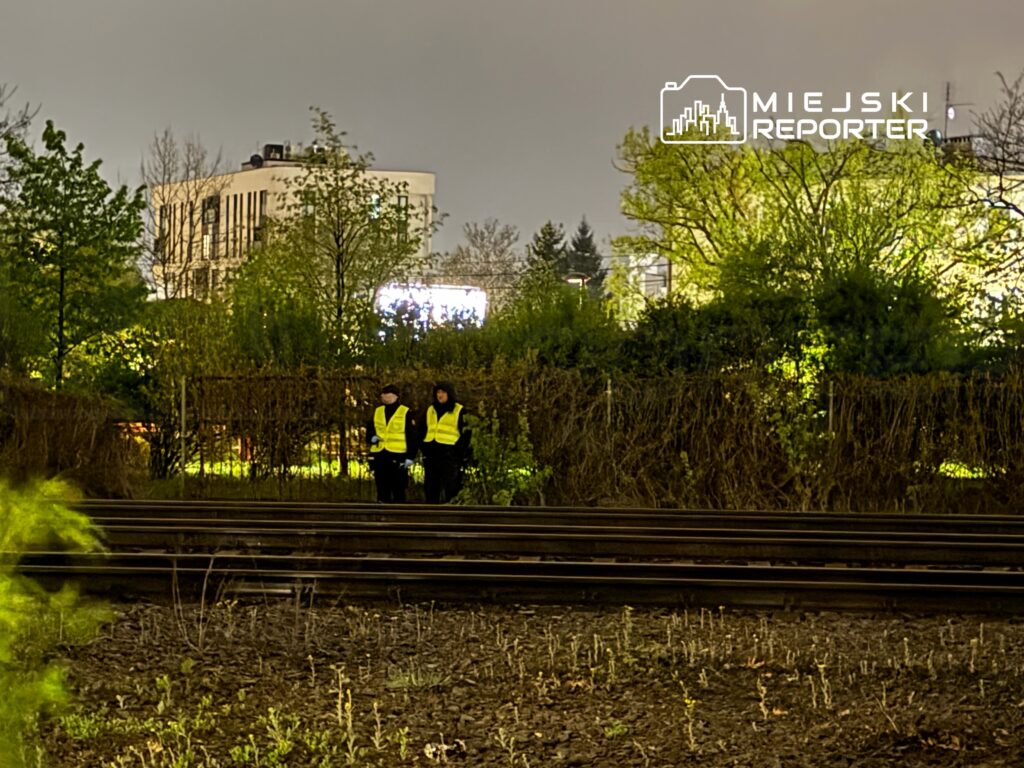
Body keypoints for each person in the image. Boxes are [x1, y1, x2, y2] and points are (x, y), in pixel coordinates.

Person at [420, 381, 471, 504]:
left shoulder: (459, 410)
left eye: (443, 392)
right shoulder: (430, 409)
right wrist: (424, 447)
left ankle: (450, 512)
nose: (440, 395)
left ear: (449, 394)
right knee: (431, 487)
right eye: (438, 392)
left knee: (451, 486)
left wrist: (458, 452)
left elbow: (466, 433)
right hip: (432, 453)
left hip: (449, 454)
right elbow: (422, 430)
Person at [366, 384, 417, 503]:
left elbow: (412, 436)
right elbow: (370, 431)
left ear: (395, 396)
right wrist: (372, 438)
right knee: (382, 488)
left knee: (399, 488)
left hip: (398, 455)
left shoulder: (405, 412)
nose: (384, 396)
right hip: (380, 454)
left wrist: (410, 456)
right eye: (383, 394)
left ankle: (399, 512)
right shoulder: (378, 411)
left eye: (387, 394)